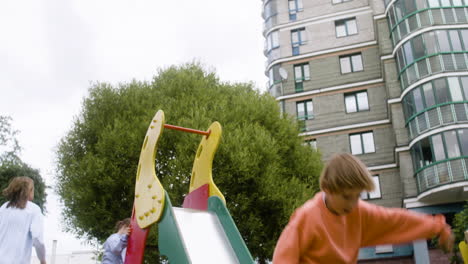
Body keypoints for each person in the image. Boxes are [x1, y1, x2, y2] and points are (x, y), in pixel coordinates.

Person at [273, 153, 454, 263]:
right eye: (346, 197)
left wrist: (438, 227)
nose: (352, 204)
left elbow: (396, 220)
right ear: (327, 188)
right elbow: (284, 258)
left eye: (357, 196)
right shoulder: (307, 217)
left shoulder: (358, 212)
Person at [0, 176, 46, 264]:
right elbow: (37, 238)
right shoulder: (34, 209)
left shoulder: (3, 208)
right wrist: (42, 260)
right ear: (29, 191)